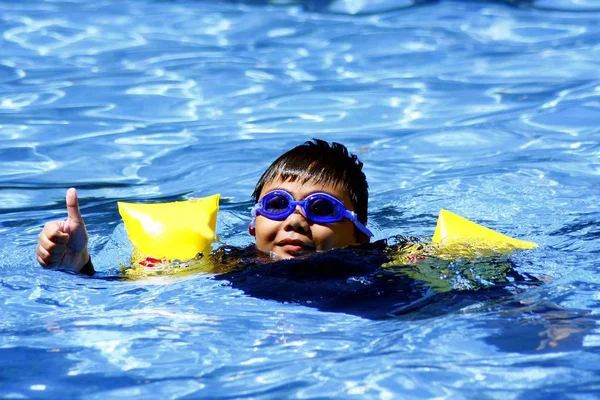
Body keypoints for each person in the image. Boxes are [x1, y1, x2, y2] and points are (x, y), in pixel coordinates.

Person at [36, 139, 374, 275]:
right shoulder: (227, 265)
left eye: (322, 209)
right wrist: (79, 266)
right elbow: (117, 296)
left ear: (359, 235)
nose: (296, 220)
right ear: (254, 225)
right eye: (277, 204)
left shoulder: (380, 269)